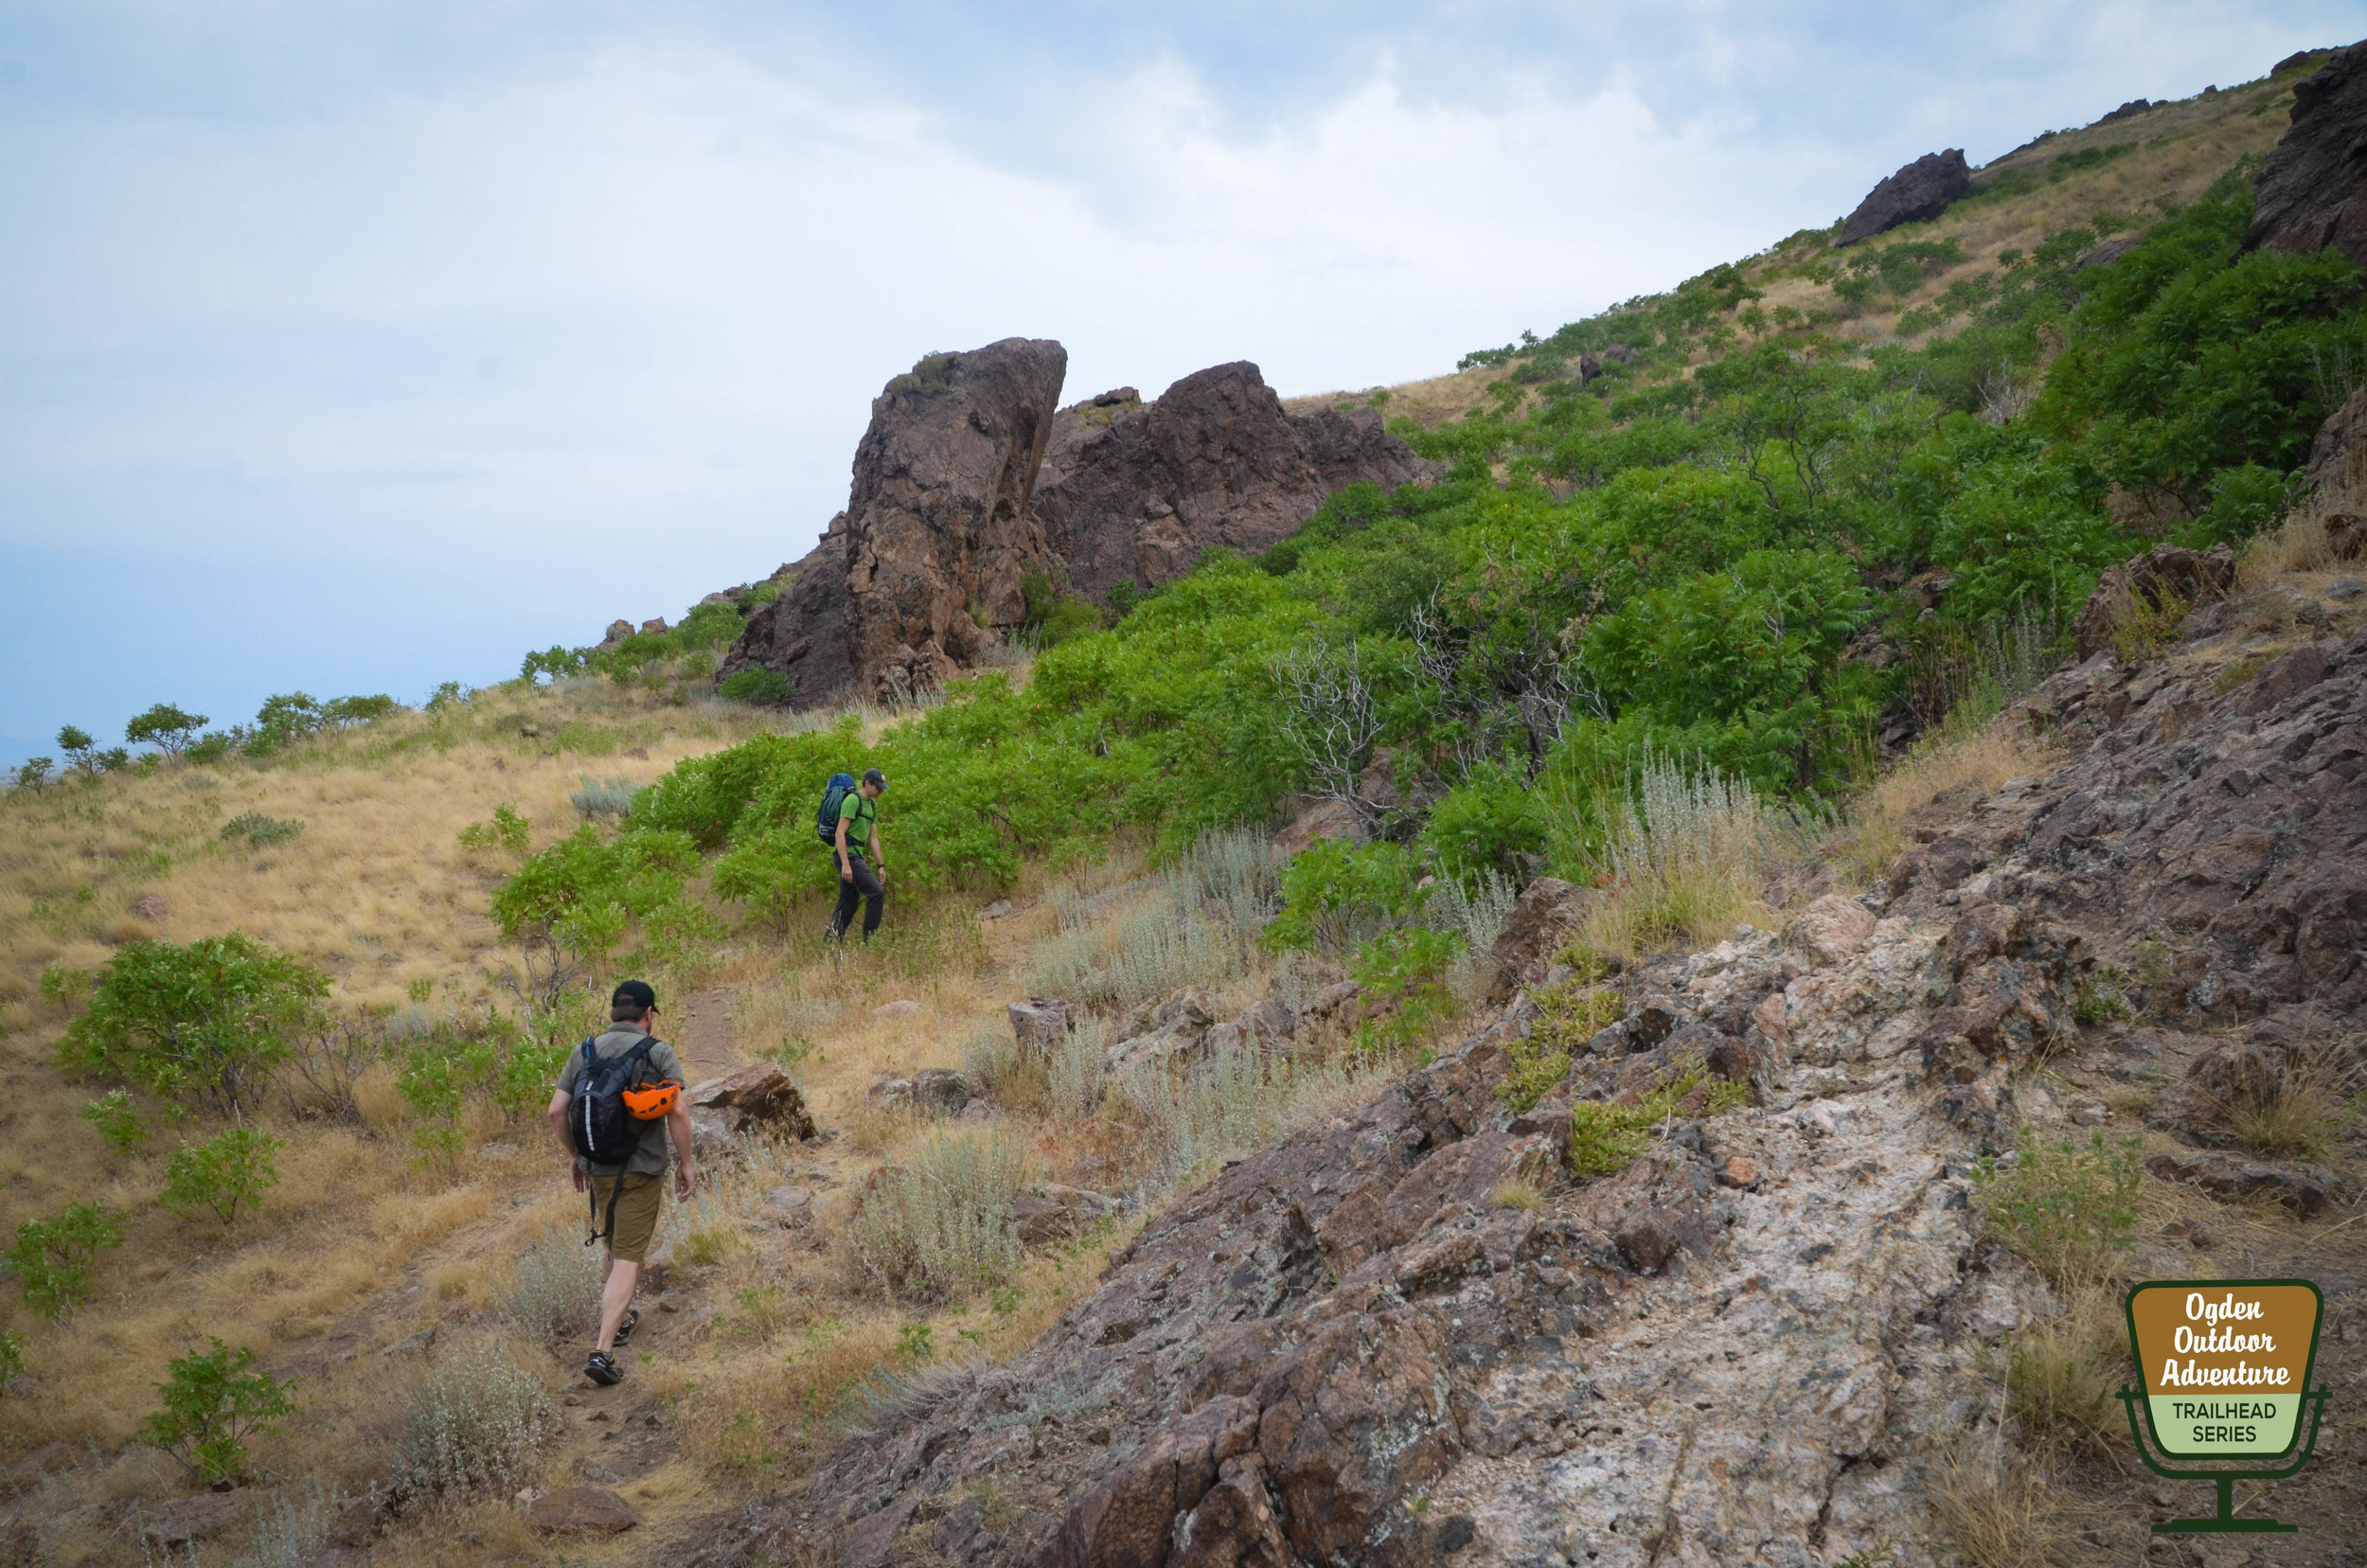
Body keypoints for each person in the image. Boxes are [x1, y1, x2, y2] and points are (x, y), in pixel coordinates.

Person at [544, 980, 695, 1387]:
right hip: (642, 1169)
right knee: (629, 1257)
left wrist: (576, 1157)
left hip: (599, 1168)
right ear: (648, 1014)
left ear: (614, 1012)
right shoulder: (657, 1051)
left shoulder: (585, 1051)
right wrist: (687, 1163)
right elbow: (677, 1112)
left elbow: (557, 1110)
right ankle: (602, 1350)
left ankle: (623, 1318)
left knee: (611, 1244)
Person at [828, 767, 890, 943]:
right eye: (877, 787)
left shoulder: (872, 805)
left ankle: (830, 943)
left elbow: (873, 838)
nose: (880, 791)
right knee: (876, 892)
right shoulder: (852, 801)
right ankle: (870, 941)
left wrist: (880, 865)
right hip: (847, 856)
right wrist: (846, 864)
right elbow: (840, 833)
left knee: (848, 902)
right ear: (867, 783)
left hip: (857, 855)